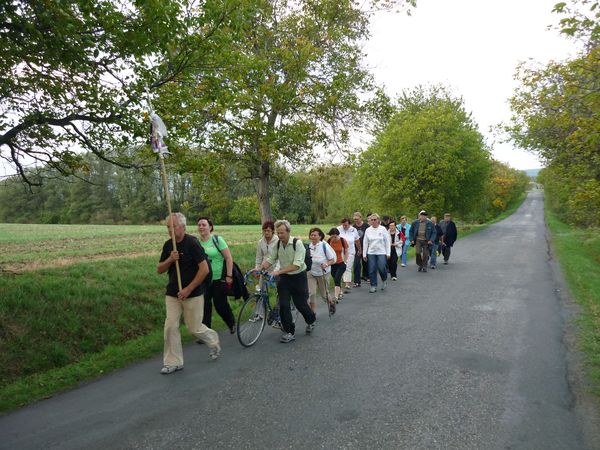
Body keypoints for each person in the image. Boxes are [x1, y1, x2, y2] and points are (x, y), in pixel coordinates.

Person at [157, 213, 221, 374]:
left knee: (194, 328)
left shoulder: (192, 243)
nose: (170, 230)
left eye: (173, 227)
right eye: (168, 227)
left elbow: (204, 269)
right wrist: (170, 259)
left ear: (183, 227)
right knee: (170, 326)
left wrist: (188, 289)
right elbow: (160, 269)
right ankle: (173, 362)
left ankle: (213, 341)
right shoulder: (168, 246)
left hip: (193, 293)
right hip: (173, 293)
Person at [260, 220, 317, 343]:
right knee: (284, 305)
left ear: (288, 231)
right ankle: (289, 332)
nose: (280, 235)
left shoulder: (298, 244)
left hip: (298, 277)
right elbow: (271, 258)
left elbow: (297, 265)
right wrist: (260, 268)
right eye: (278, 233)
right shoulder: (278, 244)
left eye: (282, 233)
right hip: (285, 278)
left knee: (300, 304)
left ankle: (311, 320)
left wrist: (278, 272)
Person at [197, 217, 236, 334]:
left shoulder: (217, 240)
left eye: (203, 225)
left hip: (219, 278)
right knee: (205, 306)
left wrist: (229, 276)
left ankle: (231, 323)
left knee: (220, 305)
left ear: (210, 227)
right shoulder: (197, 243)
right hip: (204, 279)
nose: (201, 227)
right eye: (199, 225)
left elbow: (228, 258)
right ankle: (206, 332)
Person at [307, 227, 336, 315]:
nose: (313, 237)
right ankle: (313, 314)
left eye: (315, 235)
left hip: (323, 273)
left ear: (320, 236)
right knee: (311, 293)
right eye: (311, 235)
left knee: (324, 295)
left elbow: (332, 260)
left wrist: (326, 264)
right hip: (311, 272)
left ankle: (331, 303)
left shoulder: (324, 246)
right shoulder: (308, 247)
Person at [362, 213, 391, 293]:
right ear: (370, 221)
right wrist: (364, 254)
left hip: (381, 252)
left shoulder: (383, 229)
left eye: (375, 220)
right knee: (372, 269)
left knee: (382, 267)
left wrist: (388, 253)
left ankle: (384, 279)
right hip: (371, 252)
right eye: (372, 220)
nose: (373, 221)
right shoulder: (368, 230)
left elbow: (387, 241)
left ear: (378, 220)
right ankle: (373, 285)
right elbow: (365, 242)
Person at [337, 217, 360, 293]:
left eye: (346, 225)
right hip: (340, 251)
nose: (344, 227)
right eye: (343, 225)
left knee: (348, 267)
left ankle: (347, 283)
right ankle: (339, 282)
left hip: (350, 251)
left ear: (349, 224)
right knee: (341, 267)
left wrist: (360, 249)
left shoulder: (353, 230)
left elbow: (357, 241)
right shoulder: (338, 229)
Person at [327, 227, 348, 302]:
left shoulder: (342, 240)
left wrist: (345, 261)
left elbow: (346, 251)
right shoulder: (329, 241)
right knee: (335, 278)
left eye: (334, 236)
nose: (333, 238)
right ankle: (340, 292)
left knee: (337, 278)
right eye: (331, 236)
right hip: (332, 264)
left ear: (337, 235)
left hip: (341, 263)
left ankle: (335, 297)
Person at [352, 212, 369, 287]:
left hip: (365, 247)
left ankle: (366, 276)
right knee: (356, 264)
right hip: (356, 248)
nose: (356, 220)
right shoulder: (353, 227)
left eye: (357, 219)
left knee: (366, 263)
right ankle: (357, 281)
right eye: (354, 219)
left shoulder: (366, 226)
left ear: (360, 218)